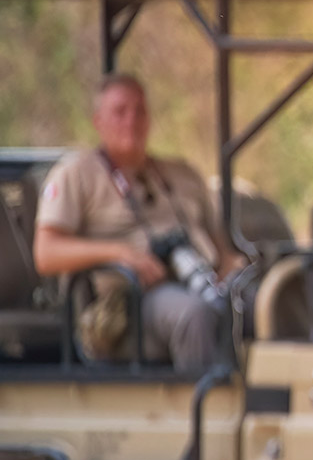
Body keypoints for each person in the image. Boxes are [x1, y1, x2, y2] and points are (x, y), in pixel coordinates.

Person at [34, 73, 242, 371]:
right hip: (130, 303)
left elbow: (224, 253)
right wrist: (120, 254)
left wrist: (234, 271)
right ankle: (205, 411)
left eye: (140, 111)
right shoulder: (76, 174)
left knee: (264, 297)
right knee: (192, 315)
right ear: (98, 121)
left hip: (200, 281)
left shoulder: (182, 174)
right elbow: (46, 254)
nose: (131, 120)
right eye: (120, 112)